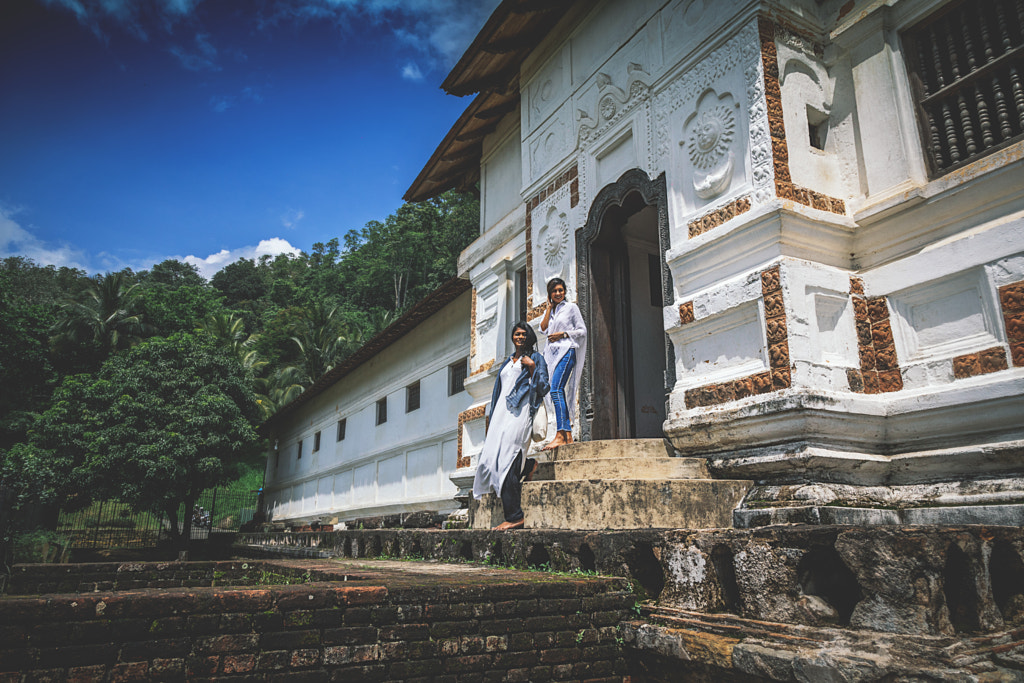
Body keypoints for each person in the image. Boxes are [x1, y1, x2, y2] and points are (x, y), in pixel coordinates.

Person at [472, 322, 550, 530]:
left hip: (521, 413)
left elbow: (543, 387)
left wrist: (532, 369)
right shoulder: (508, 362)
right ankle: (528, 465)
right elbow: (499, 393)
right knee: (491, 459)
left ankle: (515, 516)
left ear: (530, 337)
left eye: (524, 334)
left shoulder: (536, 358)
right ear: (512, 337)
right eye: (517, 333)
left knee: (507, 460)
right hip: (501, 415)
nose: (520, 337)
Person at [539, 277, 587, 450]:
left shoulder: (571, 308)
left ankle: (560, 433)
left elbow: (582, 330)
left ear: (565, 291)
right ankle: (567, 436)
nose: (558, 293)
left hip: (567, 351)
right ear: (550, 294)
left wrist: (563, 334)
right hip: (552, 355)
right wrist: (548, 309)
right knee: (556, 390)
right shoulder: (551, 311)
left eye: (561, 290)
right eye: (554, 291)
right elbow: (543, 329)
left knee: (556, 389)